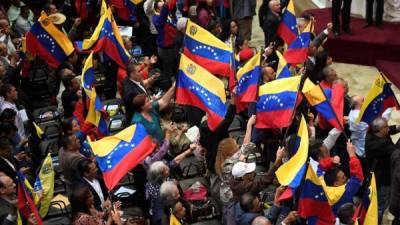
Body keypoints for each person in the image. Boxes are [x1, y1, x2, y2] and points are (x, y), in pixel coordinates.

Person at [365, 117, 400, 223]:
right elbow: (397, 152)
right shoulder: (380, 145)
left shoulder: (373, 135)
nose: (389, 128)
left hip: (379, 176)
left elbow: (390, 130)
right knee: (380, 207)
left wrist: (398, 128)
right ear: (380, 130)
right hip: (381, 181)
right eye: (386, 126)